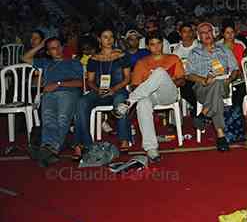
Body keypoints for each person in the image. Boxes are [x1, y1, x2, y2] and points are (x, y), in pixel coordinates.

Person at [112, 31, 185, 162]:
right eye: (152, 45)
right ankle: (151, 149)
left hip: (168, 93)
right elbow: (135, 85)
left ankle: (128, 102)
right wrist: (150, 84)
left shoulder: (173, 58)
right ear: (147, 47)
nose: (156, 47)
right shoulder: (141, 62)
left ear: (162, 44)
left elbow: (182, 81)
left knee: (160, 72)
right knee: (143, 103)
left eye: (158, 44)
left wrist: (163, 80)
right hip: (149, 95)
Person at [23, 37, 84, 167]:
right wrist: (40, 45)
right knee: (48, 118)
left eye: (58, 47)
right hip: (49, 94)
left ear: (62, 47)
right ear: (48, 52)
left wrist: (58, 84)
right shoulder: (46, 63)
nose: (57, 50)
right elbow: (25, 58)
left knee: (62, 118)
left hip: (69, 93)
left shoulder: (73, 62)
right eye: (52, 48)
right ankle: (48, 151)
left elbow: (81, 83)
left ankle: (50, 149)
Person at [73, 28, 131, 157]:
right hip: (99, 91)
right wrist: (97, 90)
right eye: (105, 37)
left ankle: (124, 139)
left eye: (111, 37)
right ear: (99, 39)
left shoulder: (122, 55)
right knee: (82, 102)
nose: (109, 40)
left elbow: (127, 78)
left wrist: (113, 89)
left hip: (118, 90)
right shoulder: (93, 59)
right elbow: (90, 81)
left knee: (119, 101)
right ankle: (82, 143)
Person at [186, 22, 240, 152]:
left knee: (217, 83)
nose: (207, 35)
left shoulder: (224, 49)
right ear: (199, 37)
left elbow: (235, 69)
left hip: (224, 84)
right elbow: (188, 75)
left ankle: (204, 113)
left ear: (214, 33)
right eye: (203, 33)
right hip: (203, 87)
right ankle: (220, 135)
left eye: (209, 31)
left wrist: (230, 79)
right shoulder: (194, 53)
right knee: (215, 91)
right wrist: (203, 80)